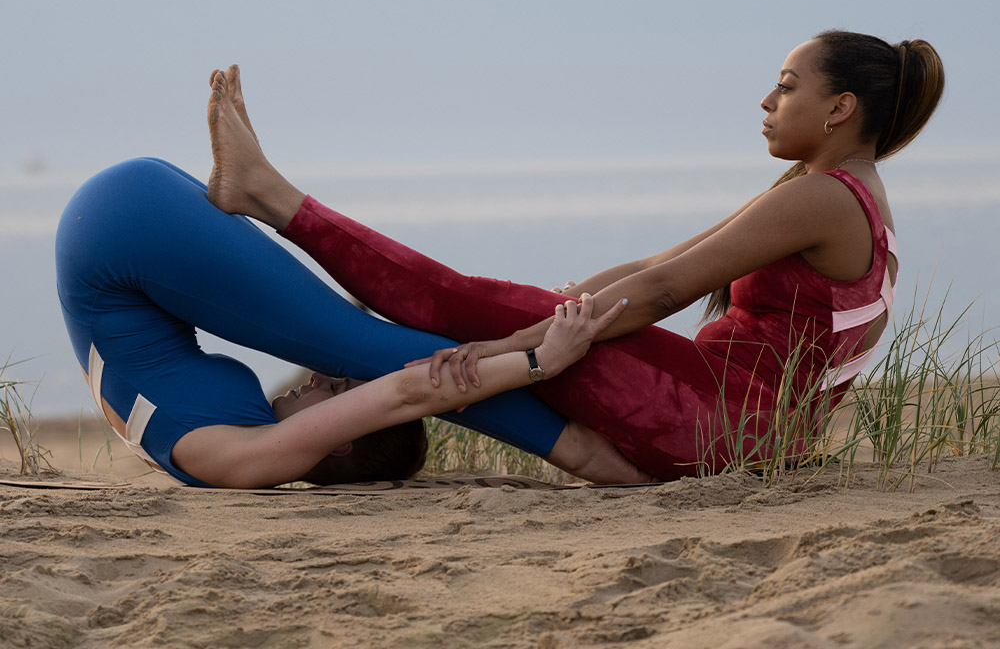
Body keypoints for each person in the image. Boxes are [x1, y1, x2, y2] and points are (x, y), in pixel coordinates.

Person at [201, 30, 944, 481]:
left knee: (463, 301)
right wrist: (546, 314)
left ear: (840, 107)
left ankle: (270, 197)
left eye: (786, 87)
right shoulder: (839, 194)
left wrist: (524, 340)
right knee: (490, 310)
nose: (766, 102)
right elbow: (657, 265)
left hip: (716, 418)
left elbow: (660, 294)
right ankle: (344, 441)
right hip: (743, 427)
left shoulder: (822, 198)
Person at [56, 156, 637, 489]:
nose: (319, 381)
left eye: (335, 393)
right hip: (121, 227)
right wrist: (538, 360)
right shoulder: (223, 454)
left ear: (336, 445)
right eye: (338, 389)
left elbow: (406, 393)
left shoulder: (249, 460)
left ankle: (588, 454)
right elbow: (403, 393)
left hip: (124, 231)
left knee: (359, 346)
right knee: (357, 342)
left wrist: (542, 362)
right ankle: (591, 455)